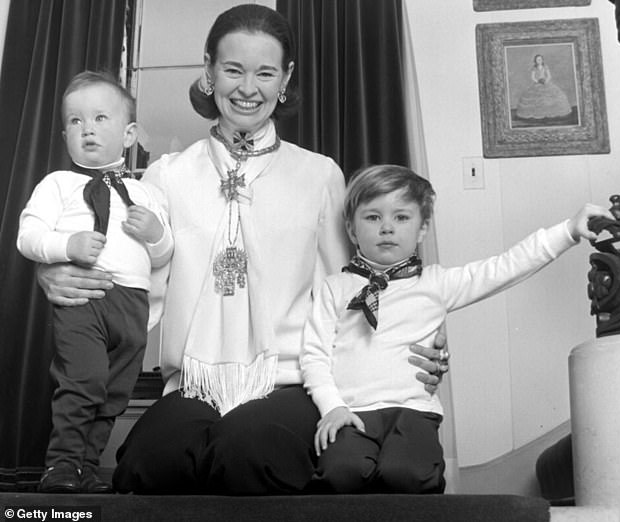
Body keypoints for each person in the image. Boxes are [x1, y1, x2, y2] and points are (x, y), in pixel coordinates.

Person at [36, 4, 447, 495]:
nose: (248, 88)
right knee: (150, 464)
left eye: (265, 73)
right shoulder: (167, 176)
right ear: (209, 71)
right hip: (193, 383)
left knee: (248, 453)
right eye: (233, 70)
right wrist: (53, 272)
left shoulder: (319, 175)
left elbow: (358, 284)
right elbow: (126, 267)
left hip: (289, 379)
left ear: (286, 79)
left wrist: (418, 330)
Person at [300, 164, 612, 494]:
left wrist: (568, 230)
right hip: (351, 412)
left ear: (422, 230)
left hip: (413, 412)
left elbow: (504, 267)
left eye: (402, 218)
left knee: (406, 474)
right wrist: (332, 406)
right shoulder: (334, 288)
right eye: (373, 217)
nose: (387, 228)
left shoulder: (436, 283)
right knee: (339, 474)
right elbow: (314, 354)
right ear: (351, 229)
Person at [17, 71, 174, 494]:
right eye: (75, 121)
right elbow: (27, 237)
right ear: (65, 134)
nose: (87, 128)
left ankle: (85, 469)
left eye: (100, 118)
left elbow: (164, 257)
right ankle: (61, 466)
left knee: (113, 393)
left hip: (132, 307)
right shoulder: (58, 185)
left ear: (129, 135)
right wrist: (67, 244)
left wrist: (156, 235)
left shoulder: (147, 194)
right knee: (82, 381)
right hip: (84, 299)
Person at [516, 54, 572, 121]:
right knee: (536, 98)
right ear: (535, 61)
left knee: (550, 97)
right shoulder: (534, 68)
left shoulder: (545, 66)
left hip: (546, 82)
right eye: (537, 60)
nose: (539, 61)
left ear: (542, 60)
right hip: (537, 83)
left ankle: (549, 112)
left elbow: (549, 76)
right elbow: (532, 77)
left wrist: (546, 81)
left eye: (540, 59)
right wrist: (537, 81)